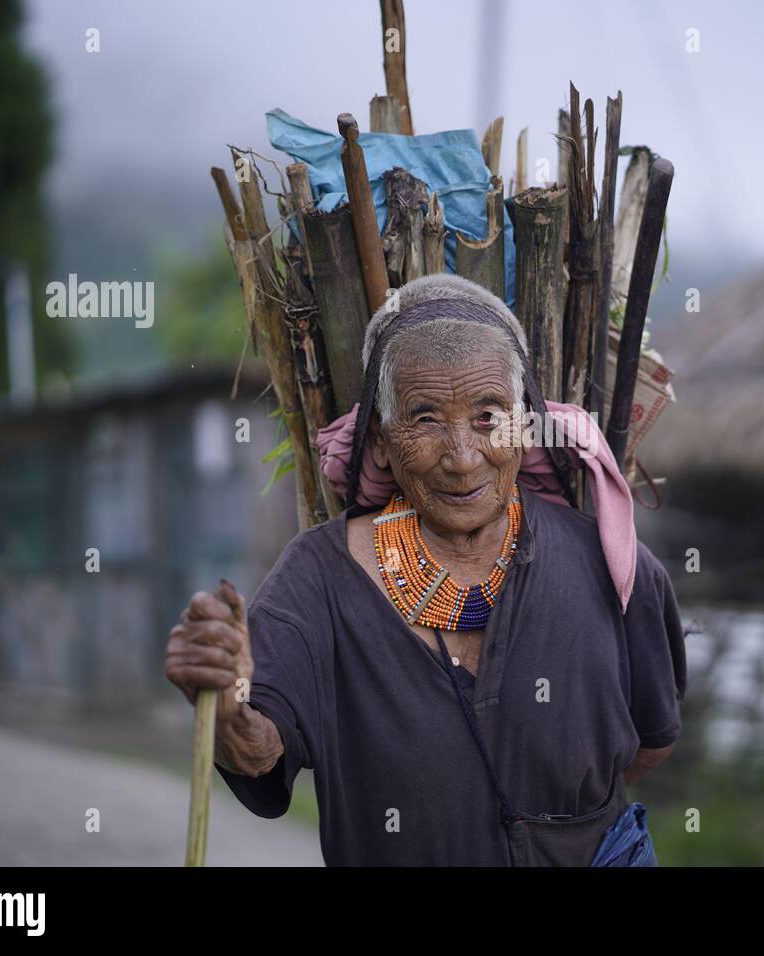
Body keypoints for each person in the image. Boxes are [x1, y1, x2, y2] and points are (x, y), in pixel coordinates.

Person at [165, 274, 687, 865]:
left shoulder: (614, 567)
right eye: (426, 419)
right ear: (382, 441)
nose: (463, 458)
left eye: (489, 416)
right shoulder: (319, 578)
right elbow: (261, 749)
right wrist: (227, 700)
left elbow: (650, 743)